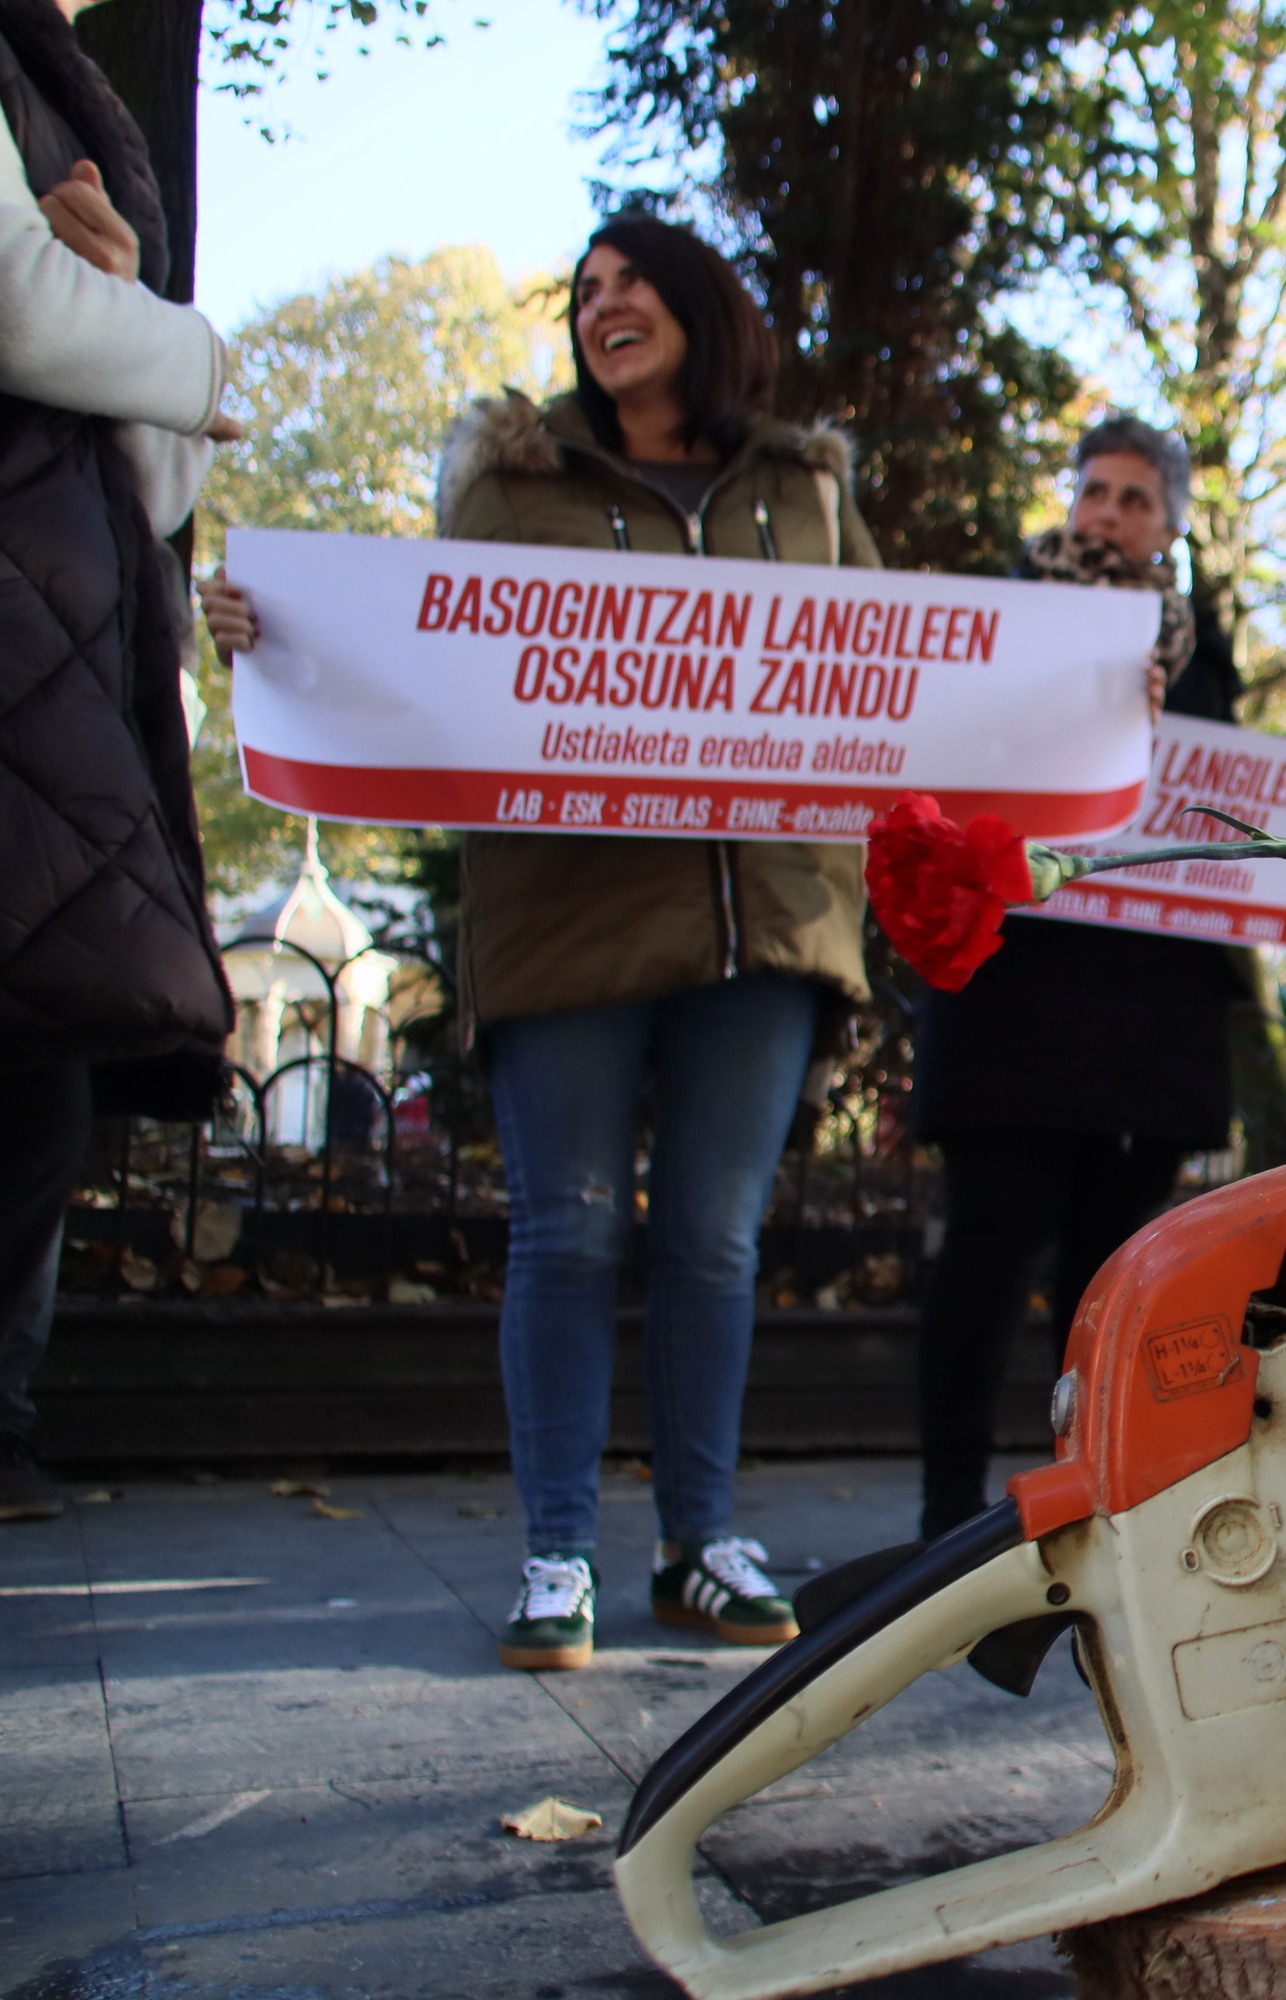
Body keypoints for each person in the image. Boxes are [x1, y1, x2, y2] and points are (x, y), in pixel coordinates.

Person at [202, 214, 876, 1666]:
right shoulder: (512, 481)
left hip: (766, 923)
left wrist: (1095, 693)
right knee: (566, 1230)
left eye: (631, 283)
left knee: (713, 1242)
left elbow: (909, 667)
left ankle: (701, 1545)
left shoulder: (806, 489)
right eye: (584, 292)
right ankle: (557, 1552)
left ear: (700, 304)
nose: (601, 306)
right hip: (565, 917)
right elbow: (422, 651)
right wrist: (281, 632)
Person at [907, 415, 1243, 1542]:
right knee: (988, 1249)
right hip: (1013, 994)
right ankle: (946, 1514)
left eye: (1135, 499)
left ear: (1170, 528)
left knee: (1109, 1277)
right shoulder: (997, 628)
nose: (1107, 512)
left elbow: (1223, 807)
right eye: (1095, 489)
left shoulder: (1202, 659)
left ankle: (1083, 1503)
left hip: (1146, 1012)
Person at [0, 0, 242, 1524]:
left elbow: (139, 483)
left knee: (40, 1083)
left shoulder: (71, 96)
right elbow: (21, 314)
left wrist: (124, 308)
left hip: (64, 688)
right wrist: (196, 350)